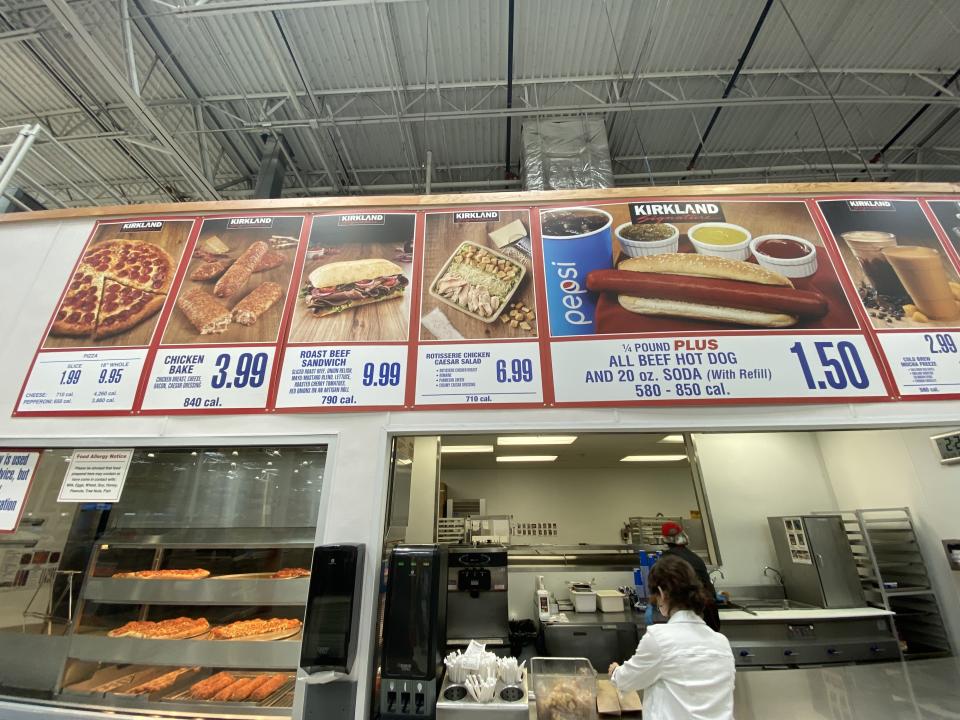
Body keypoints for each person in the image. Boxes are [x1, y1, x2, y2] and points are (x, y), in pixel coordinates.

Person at [609, 555, 735, 720]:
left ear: (661, 593)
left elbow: (626, 680)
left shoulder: (659, 638)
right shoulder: (721, 642)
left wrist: (615, 672)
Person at [661, 521, 721, 630]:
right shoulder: (694, 557)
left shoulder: (667, 559)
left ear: (665, 539)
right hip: (707, 611)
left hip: (689, 612)